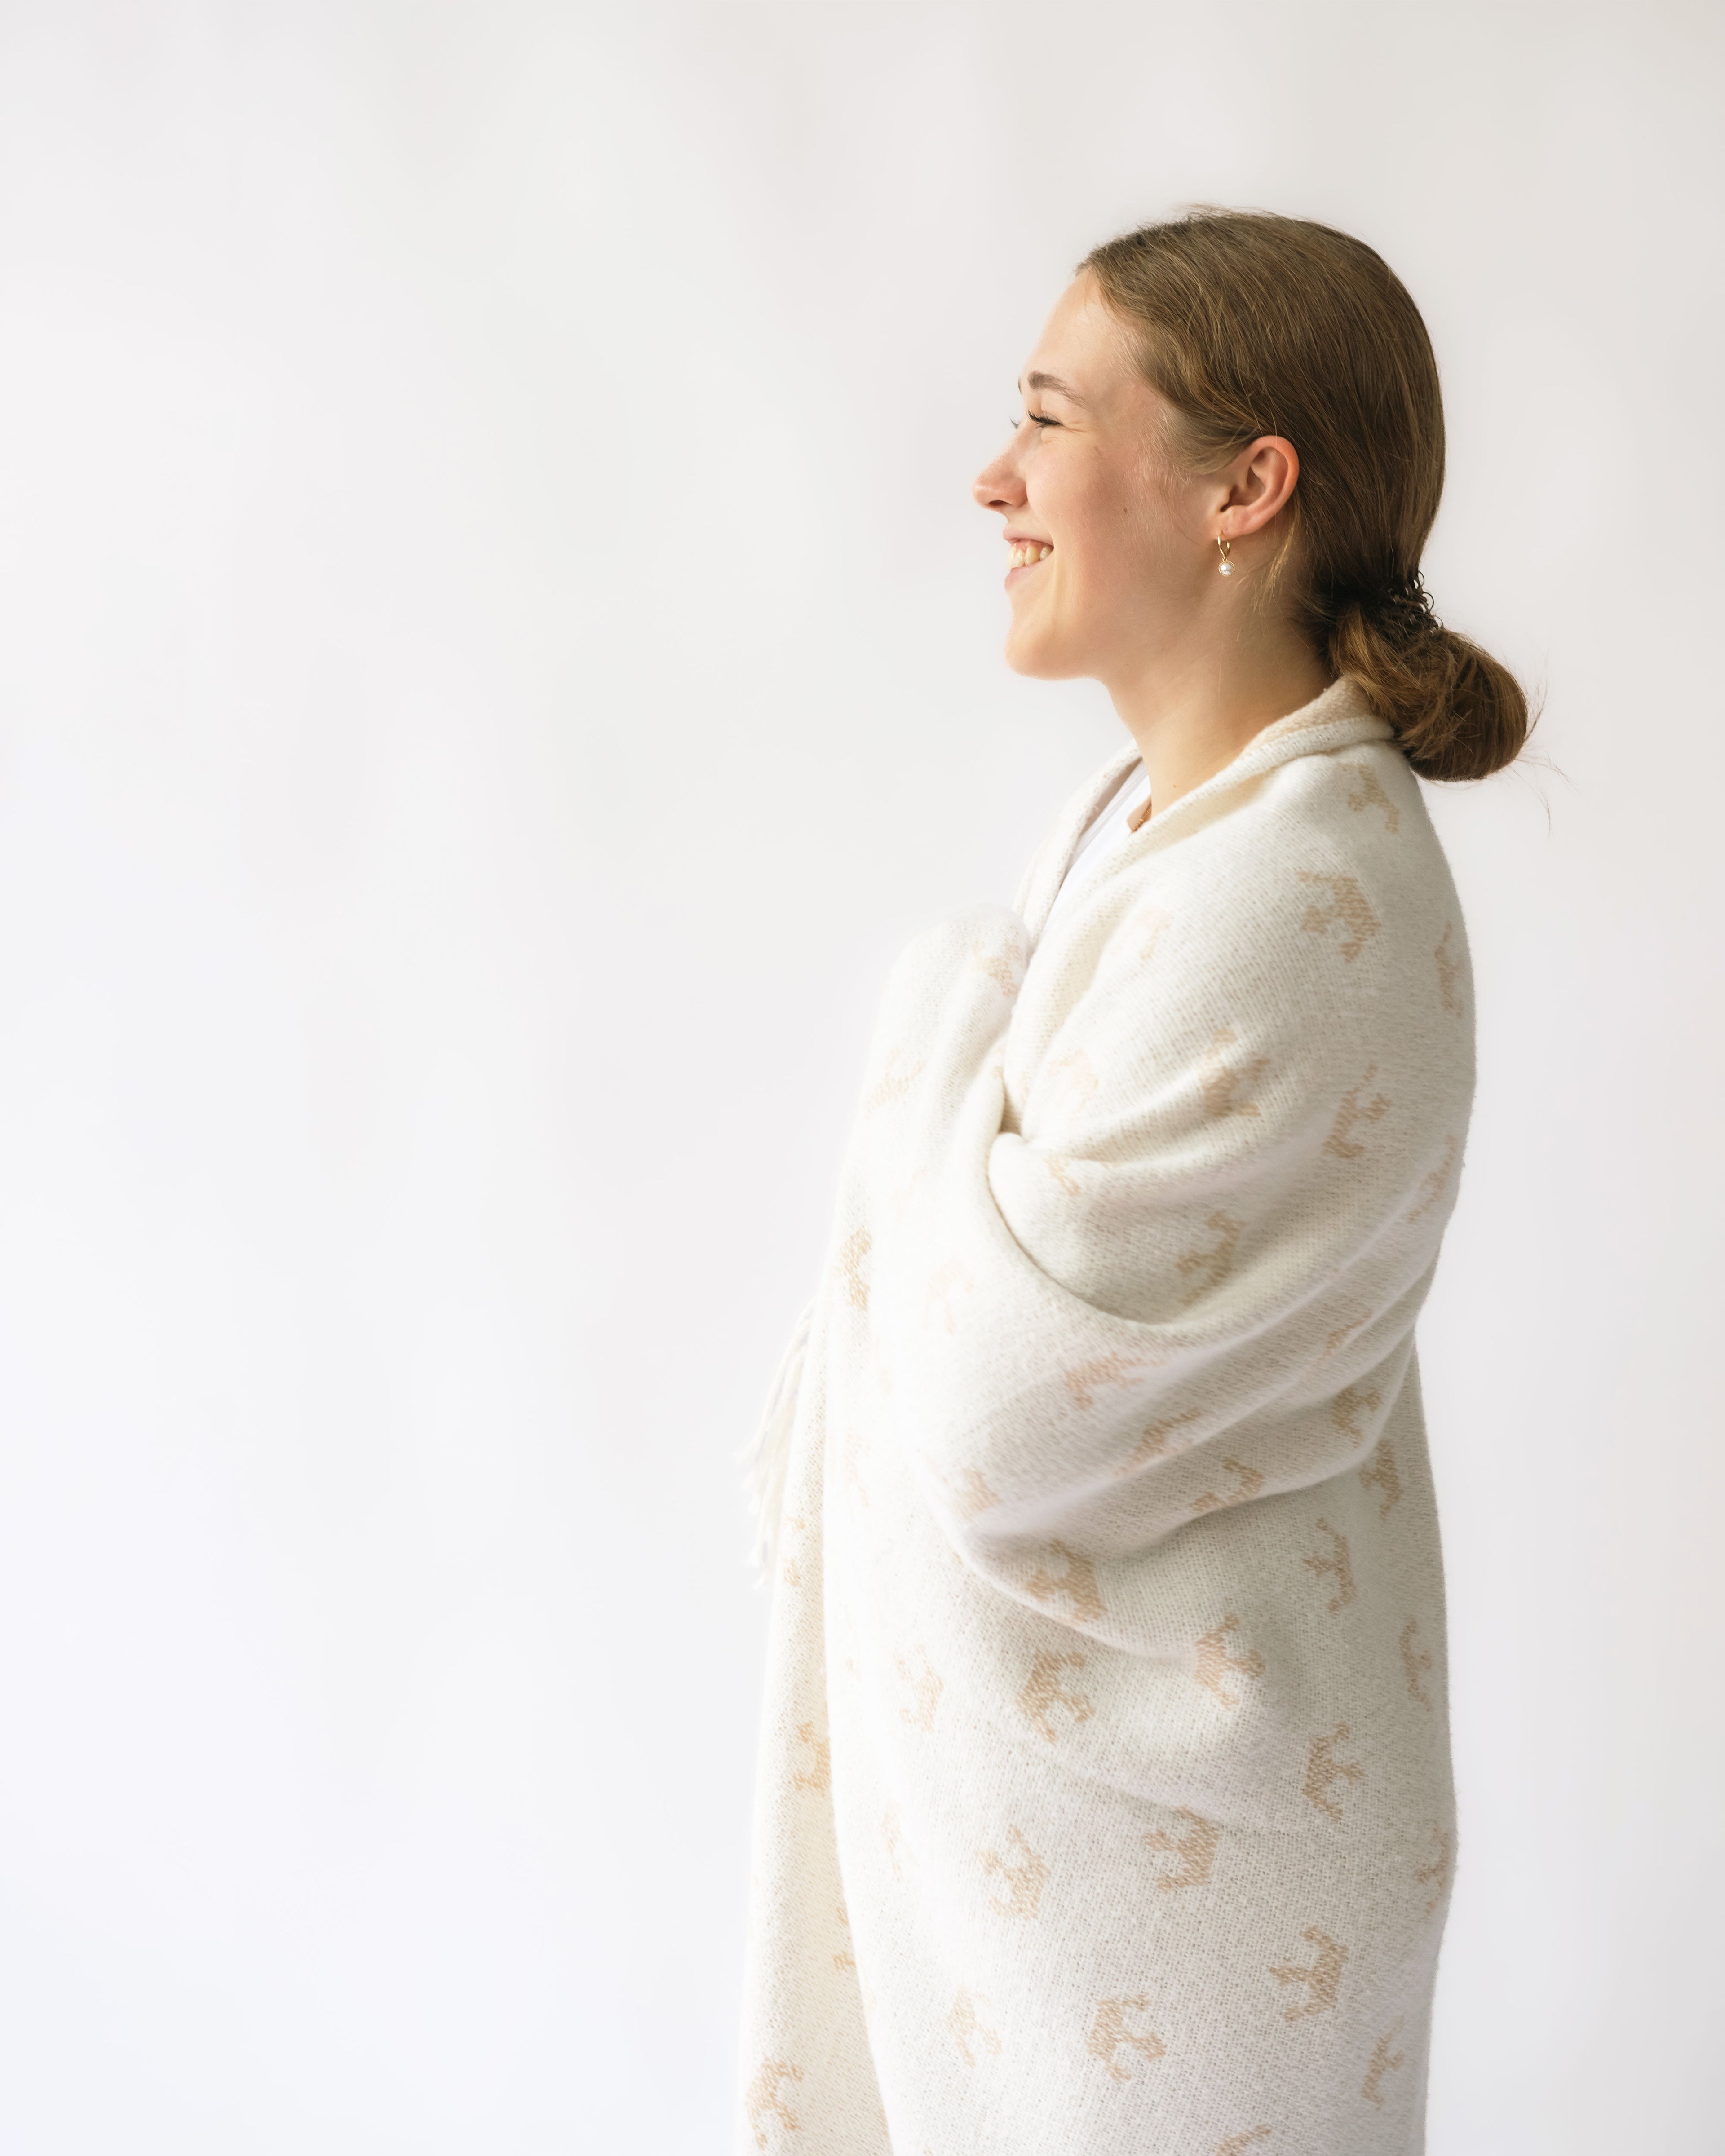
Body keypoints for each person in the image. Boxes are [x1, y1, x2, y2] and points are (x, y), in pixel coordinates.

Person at [737, 208, 1526, 2156]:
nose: (994, 479)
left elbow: (999, 1413)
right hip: (1067, 1907)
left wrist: (938, 1025)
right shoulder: (1168, 836)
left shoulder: (1295, 899)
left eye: (1050, 420)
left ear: (1245, 488)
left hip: (1181, 1927)